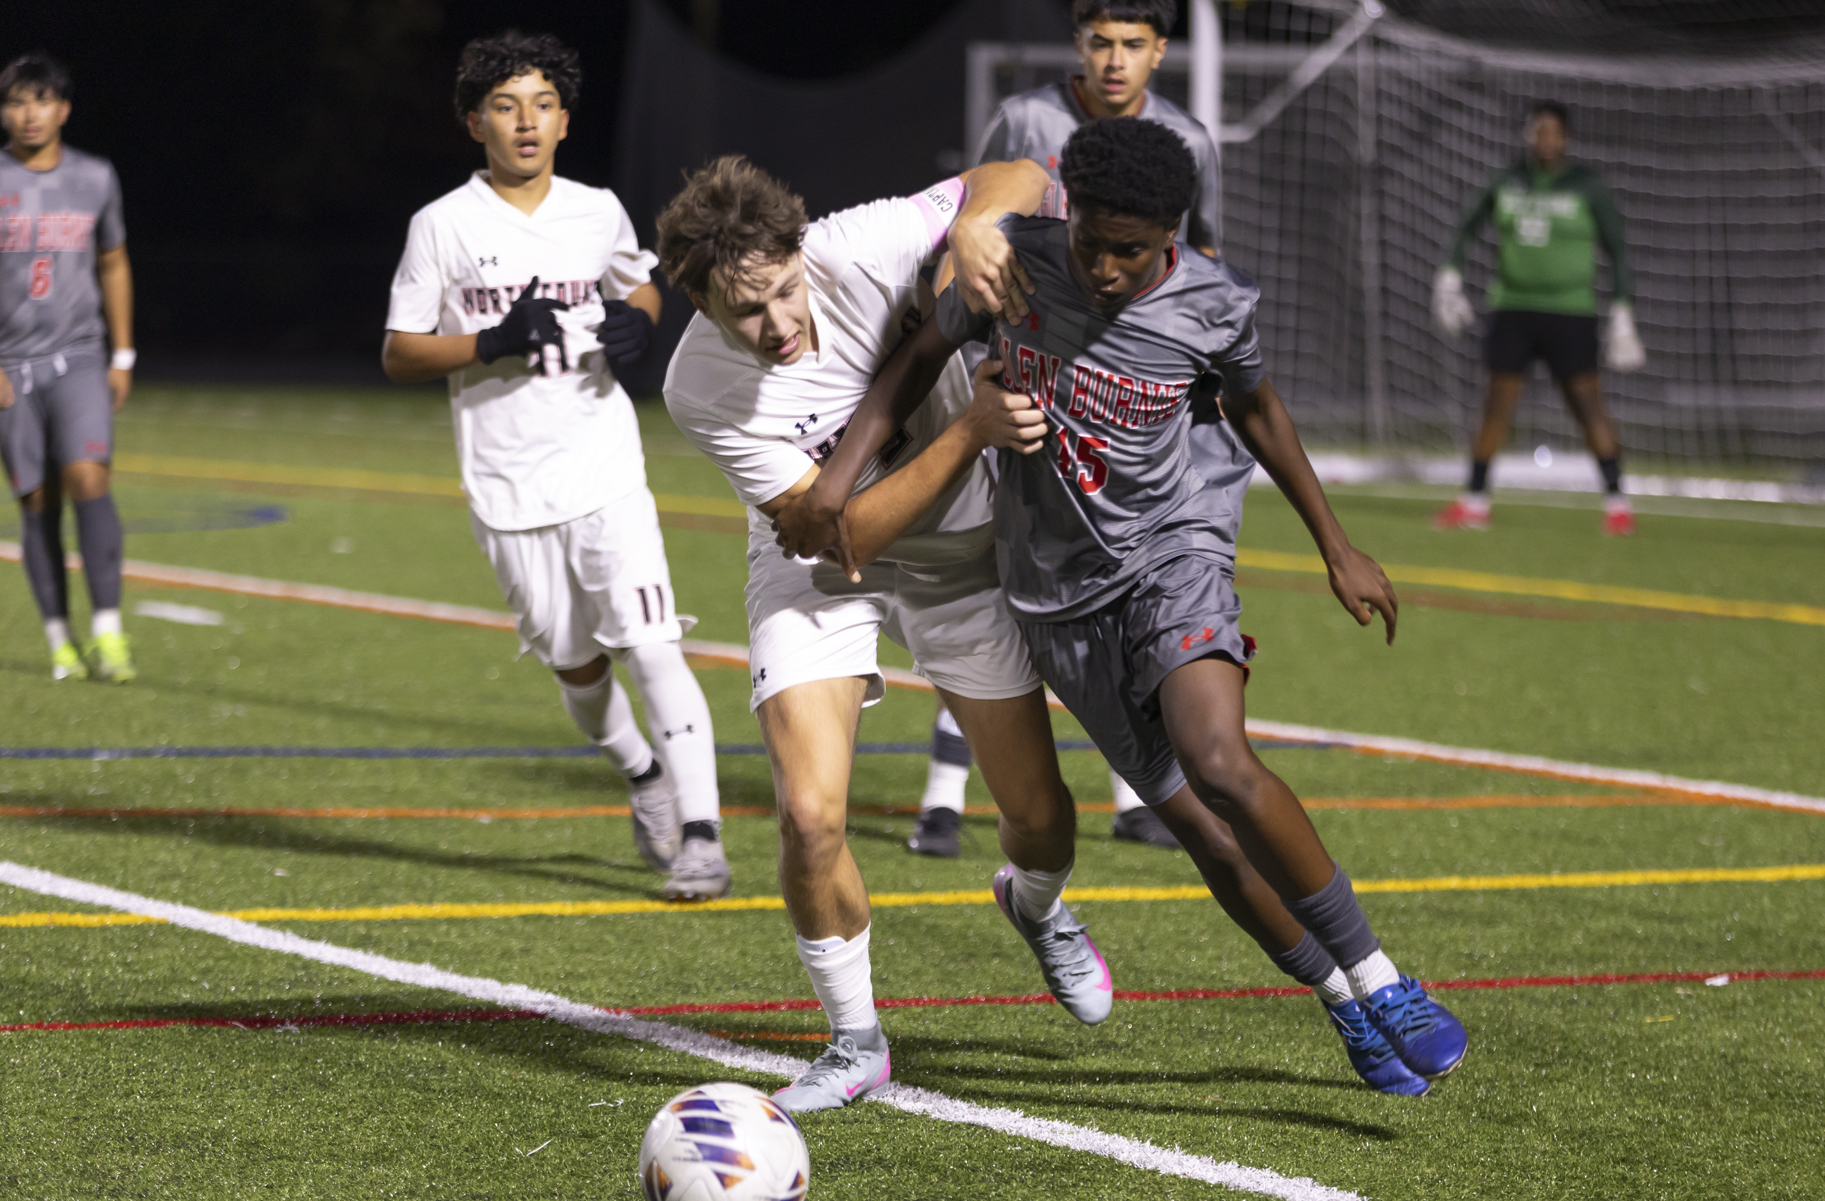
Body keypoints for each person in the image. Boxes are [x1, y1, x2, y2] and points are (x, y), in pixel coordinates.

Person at [783, 117, 1468, 1096]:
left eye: (1128, 250)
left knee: (1221, 762)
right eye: (1089, 242)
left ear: (1172, 237)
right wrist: (838, 480)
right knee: (1201, 830)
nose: (1102, 267)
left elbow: (1257, 408)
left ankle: (1382, 980)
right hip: (1056, 599)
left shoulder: (1211, 303)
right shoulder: (1014, 268)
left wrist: (1334, 543)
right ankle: (1337, 1004)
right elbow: (912, 362)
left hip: (1170, 554)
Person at [657, 153, 1114, 1114]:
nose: (779, 325)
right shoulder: (697, 387)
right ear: (699, 303)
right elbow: (841, 535)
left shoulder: (856, 245)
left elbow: (1018, 173)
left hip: (962, 558)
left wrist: (976, 226)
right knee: (810, 815)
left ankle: (1033, 906)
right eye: (748, 313)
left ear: (800, 249)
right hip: (819, 570)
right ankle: (855, 1039)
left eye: (785, 291)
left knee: (1040, 817)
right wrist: (969, 431)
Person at [383, 32, 730, 901]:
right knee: (575, 664)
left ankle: (701, 833)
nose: (525, 121)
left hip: (604, 463)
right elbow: (398, 352)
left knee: (651, 644)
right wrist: (489, 340)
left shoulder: (596, 208)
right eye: (505, 106)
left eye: (541, 104)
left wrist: (642, 321)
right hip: (506, 482)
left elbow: (640, 280)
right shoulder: (442, 226)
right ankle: (641, 769)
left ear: (565, 121)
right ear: (476, 124)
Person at [907, 0, 1224, 856]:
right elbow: (970, 229)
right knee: (997, 578)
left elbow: (1204, 265)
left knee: (1117, 592)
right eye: (1099, 42)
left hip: (1123, 409)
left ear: (1160, 51)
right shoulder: (1025, 119)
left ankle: (1133, 793)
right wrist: (969, 353)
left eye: (1132, 44)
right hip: (1027, 386)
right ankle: (943, 794)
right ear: (1077, 44)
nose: (1114, 60)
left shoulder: (1190, 139)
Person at [0, 53, 137, 684]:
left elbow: (113, 262)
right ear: (2, 112)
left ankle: (108, 633)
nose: (30, 114)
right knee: (37, 500)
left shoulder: (95, 176)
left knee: (89, 477)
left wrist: (122, 353)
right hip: (8, 366)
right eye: (16, 103)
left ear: (64, 108)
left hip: (79, 354)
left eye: (42, 100)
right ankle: (60, 639)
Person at [1431, 99, 1645, 537]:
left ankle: (1617, 503)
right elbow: (1467, 226)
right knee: (1496, 403)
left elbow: (1618, 248)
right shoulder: (1508, 182)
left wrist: (1623, 308)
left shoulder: (1586, 187)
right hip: (1513, 307)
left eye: (1554, 132)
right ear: (1528, 135)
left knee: (1587, 405)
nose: (1546, 140)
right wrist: (1449, 276)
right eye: (1538, 131)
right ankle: (1474, 501)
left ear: (1565, 138)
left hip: (1570, 310)